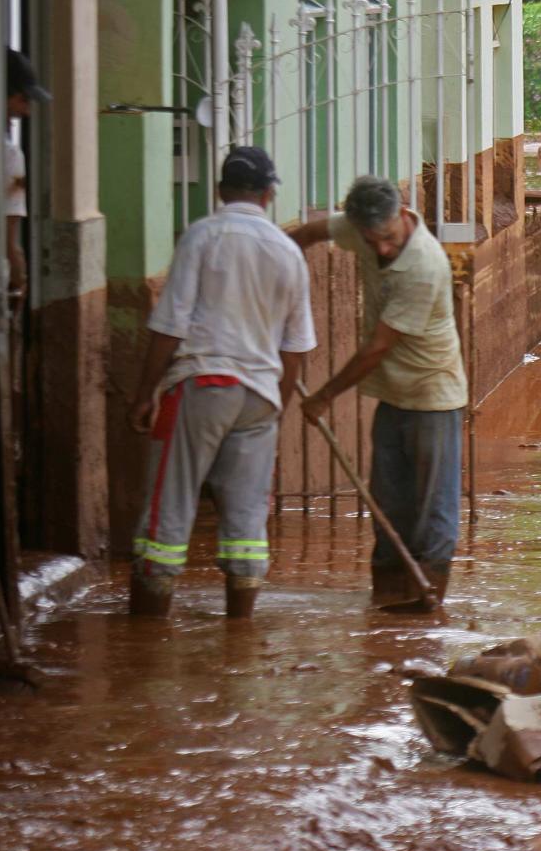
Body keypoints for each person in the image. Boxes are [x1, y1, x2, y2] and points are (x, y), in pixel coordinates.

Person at [126, 147, 315, 619]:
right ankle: (241, 631)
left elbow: (170, 323)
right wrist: (278, 405)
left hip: (201, 385)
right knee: (248, 520)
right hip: (260, 396)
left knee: (167, 509)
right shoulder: (287, 251)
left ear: (219, 190)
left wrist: (145, 391)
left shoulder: (202, 236)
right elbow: (296, 348)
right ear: (269, 194)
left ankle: (147, 634)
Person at [286, 176, 465, 609]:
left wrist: (325, 396)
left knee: (431, 509)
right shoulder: (356, 228)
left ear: (402, 217)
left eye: (387, 238)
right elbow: (308, 234)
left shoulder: (424, 265)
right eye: (371, 241)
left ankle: (427, 604)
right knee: (387, 502)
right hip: (392, 395)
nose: (381, 249)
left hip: (433, 397)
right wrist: (265, 262)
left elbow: (378, 347)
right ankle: (387, 599)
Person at [4, 50, 47, 302]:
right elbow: (8, 237)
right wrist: (20, 282)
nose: (27, 112)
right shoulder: (9, 155)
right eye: (23, 100)